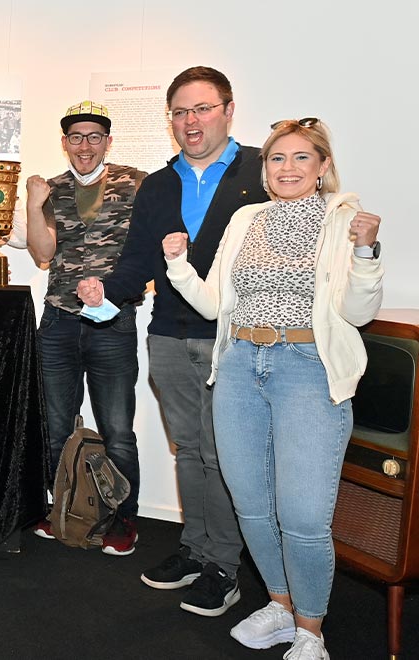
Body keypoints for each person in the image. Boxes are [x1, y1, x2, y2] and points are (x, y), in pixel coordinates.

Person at [162, 118, 383, 659]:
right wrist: (177, 265)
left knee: (304, 515)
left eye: (301, 158)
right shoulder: (246, 218)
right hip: (239, 364)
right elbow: (216, 304)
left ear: (323, 166)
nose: (287, 168)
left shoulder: (345, 221)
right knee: (252, 505)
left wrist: (366, 253)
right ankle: (281, 607)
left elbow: (358, 311)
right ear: (265, 169)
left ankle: (312, 631)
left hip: (307, 368)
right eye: (277, 158)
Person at [78, 66, 267, 616]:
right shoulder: (159, 184)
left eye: (203, 108)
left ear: (228, 110)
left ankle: (224, 567)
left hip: (236, 339)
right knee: (189, 452)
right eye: (181, 112)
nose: (191, 121)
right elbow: (138, 259)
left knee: (222, 454)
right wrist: (103, 293)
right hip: (168, 335)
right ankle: (196, 548)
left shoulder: (263, 170)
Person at [23, 102, 146, 555]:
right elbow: (42, 252)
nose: (85, 145)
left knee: (118, 428)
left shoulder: (135, 182)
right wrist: (35, 205)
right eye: (76, 137)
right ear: (65, 143)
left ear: (108, 142)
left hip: (112, 321)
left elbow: (147, 245)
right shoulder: (52, 188)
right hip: (58, 319)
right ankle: (65, 511)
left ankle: (121, 520)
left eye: (94, 136)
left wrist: (116, 289)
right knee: (56, 426)